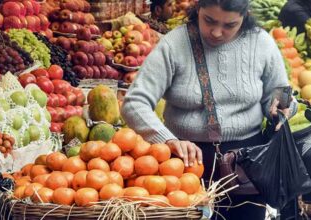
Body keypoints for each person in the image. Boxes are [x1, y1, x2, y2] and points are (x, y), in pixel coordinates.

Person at [121, 0, 297, 219]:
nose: (216, 32)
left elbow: (279, 91)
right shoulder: (175, 44)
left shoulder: (261, 42)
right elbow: (134, 103)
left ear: (245, 16)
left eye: (229, 25)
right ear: (198, 10)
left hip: (247, 165)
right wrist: (167, 140)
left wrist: (282, 105)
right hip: (183, 165)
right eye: (209, 21)